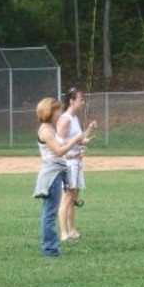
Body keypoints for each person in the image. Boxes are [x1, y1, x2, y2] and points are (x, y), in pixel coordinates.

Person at [33, 97, 88, 257]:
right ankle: (50, 249)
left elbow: (57, 153)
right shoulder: (45, 131)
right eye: (57, 110)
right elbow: (58, 151)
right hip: (51, 176)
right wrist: (76, 140)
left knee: (50, 211)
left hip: (57, 171)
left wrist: (73, 155)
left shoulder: (50, 129)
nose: (59, 113)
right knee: (49, 214)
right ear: (50, 112)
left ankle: (51, 247)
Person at [57, 88, 97, 242]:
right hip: (68, 163)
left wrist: (88, 130)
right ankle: (64, 233)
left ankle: (73, 231)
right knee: (67, 197)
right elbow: (60, 142)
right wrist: (76, 147)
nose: (83, 102)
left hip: (78, 161)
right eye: (81, 99)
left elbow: (77, 139)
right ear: (71, 101)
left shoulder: (74, 119)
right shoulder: (65, 119)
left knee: (73, 199)